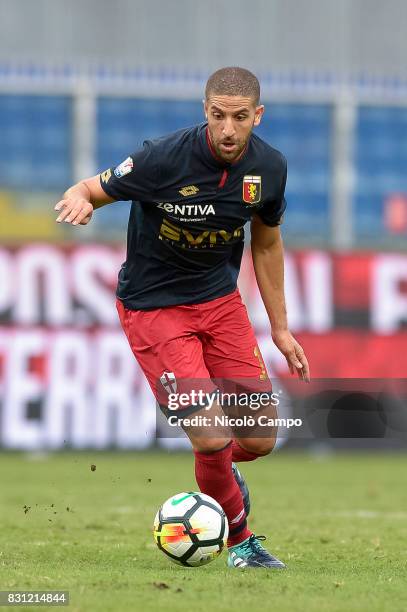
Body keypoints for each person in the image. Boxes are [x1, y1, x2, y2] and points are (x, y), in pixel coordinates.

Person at [54, 66, 310, 569]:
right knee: (213, 435)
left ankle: (215, 475)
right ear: (205, 112)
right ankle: (243, 543)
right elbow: (91, 187)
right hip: (154, 310)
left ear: (257, 116)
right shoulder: (161, 158)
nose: (228, 129)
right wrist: (78, 201)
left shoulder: (269, 170)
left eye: (240, 117)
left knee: (258, 439)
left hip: (219, 305)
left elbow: (267, 240)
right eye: (218, 116)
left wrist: (280, 327)